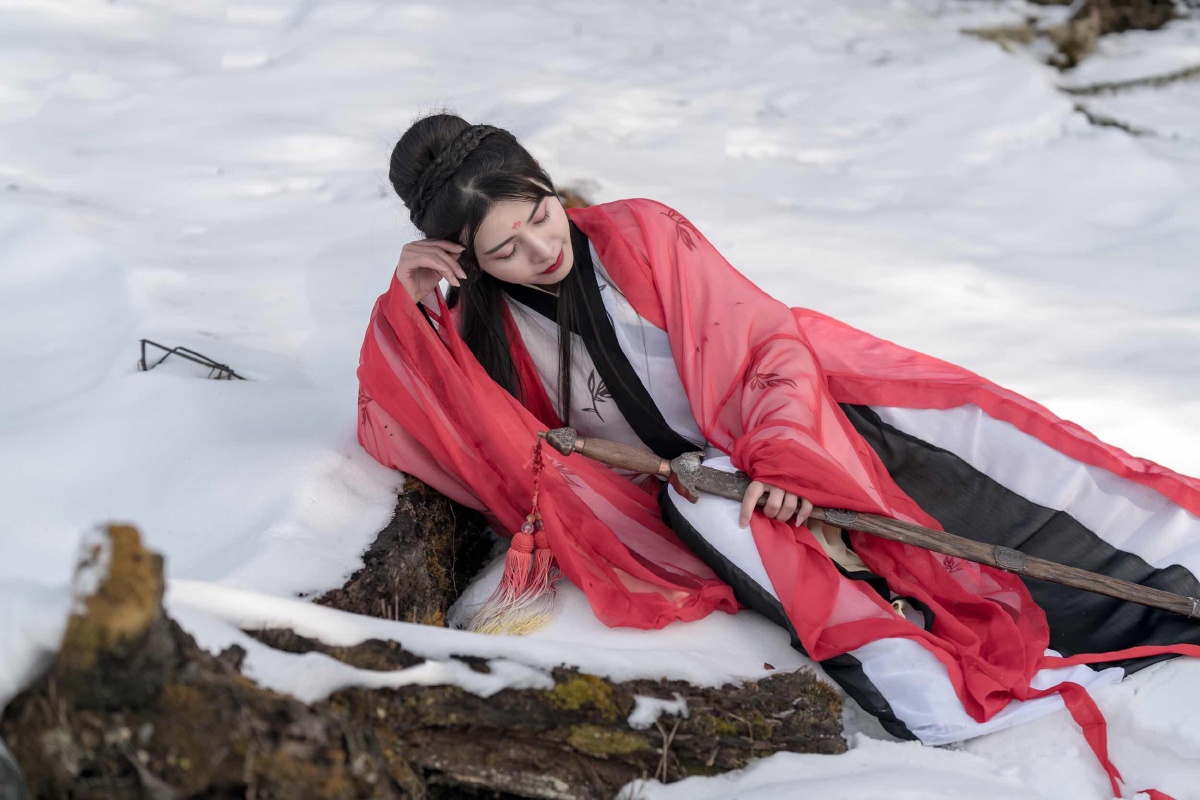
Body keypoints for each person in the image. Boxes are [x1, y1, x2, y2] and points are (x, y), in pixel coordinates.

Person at [357, 113, 1200, 795]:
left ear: (548, 187)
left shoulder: (642, 234)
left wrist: (783, 457)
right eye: (504, 250)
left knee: (1017, 482)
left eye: (541, 215)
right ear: (467, 260)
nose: (542, 250)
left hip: (806, 426)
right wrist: (408, 307)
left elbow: (763, 345)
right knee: (710, 510)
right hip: (704, 496)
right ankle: (929, 689)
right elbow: (417, 428)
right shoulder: (477, 332)